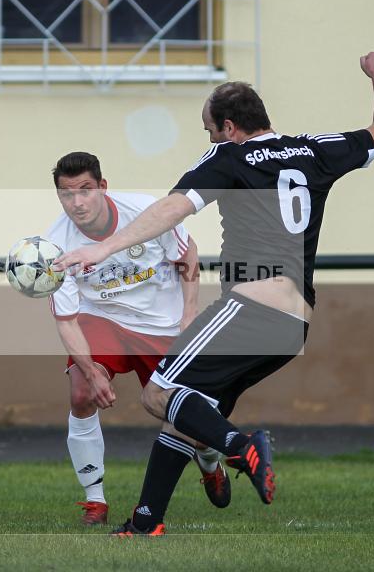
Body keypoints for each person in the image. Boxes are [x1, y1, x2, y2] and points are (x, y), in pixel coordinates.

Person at [54, 52, 374, 535]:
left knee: (159, 394)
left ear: (231, 127)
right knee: (191, 410)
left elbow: (175, 207)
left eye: (209, 130)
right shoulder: (314, 151)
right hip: (294, 319)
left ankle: (242, 447)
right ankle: (146, 520)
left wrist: (106, 246)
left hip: (250, 306)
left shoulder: (229, 156)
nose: (209, 139)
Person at [46, 151, 231, 526]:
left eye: (85, 190)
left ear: (103, 187)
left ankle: (211, 463)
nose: (77, 202)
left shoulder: (146, 212)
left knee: (188, 421)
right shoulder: (55, 245)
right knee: (81, 392)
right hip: (103, 318)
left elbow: (187, 255)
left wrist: (188, 320)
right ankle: (94, 501)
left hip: (160, 324)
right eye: (67, 194)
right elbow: (67, 321)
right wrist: (92, 372)